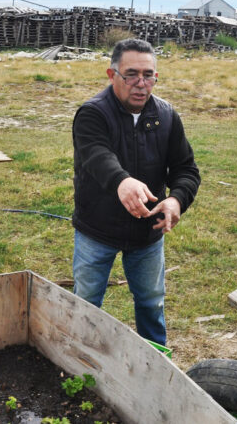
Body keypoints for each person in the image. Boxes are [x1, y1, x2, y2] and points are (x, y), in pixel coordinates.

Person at [71, 38, 200, 346]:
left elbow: (186, 169)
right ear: (111, 74)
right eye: (131, 74)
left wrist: (176, 200)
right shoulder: (92, 114)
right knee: (86, 304)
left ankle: (157, 364)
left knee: (152, 303)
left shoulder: (166, 116)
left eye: (149, 75)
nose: (141, 84)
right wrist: (121, 181)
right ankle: (79, 364)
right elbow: (97, 156)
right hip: (96, 231)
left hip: (147, 235)